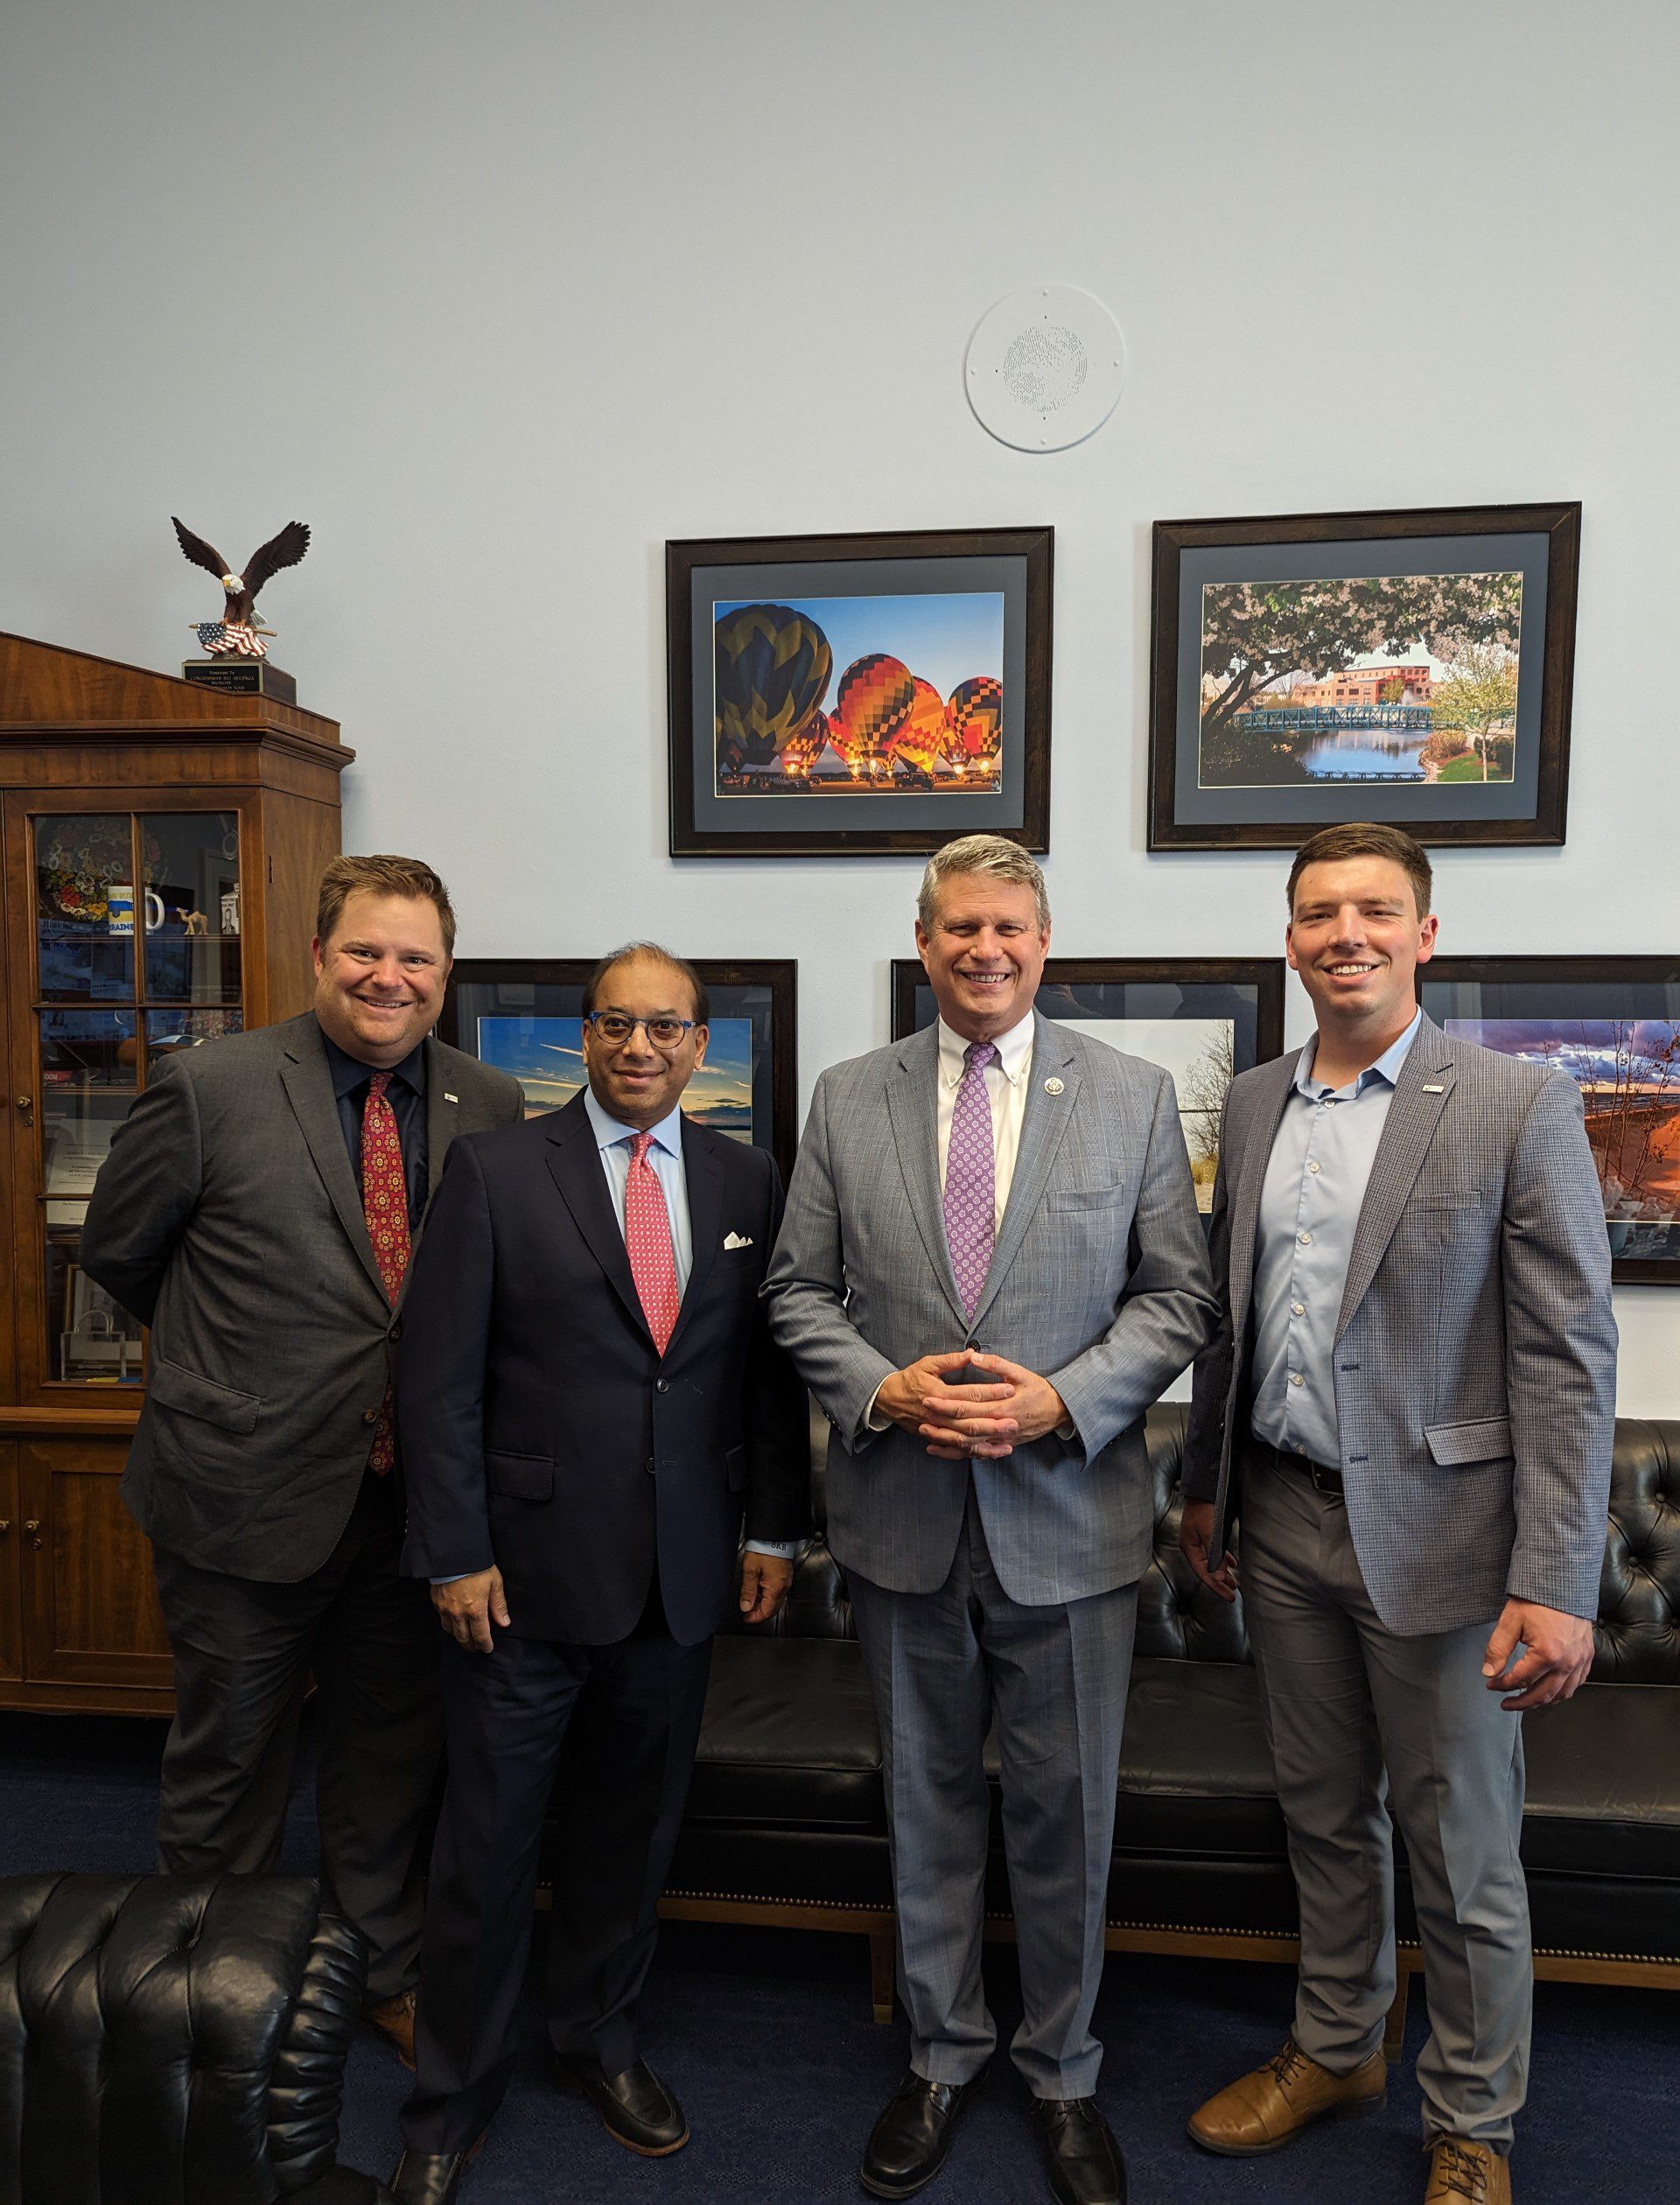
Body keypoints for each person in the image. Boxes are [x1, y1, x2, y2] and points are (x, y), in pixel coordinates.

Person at [764, 835, 1216, 2205]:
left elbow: (1178, 1300)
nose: (985, 950)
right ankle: (944, 2051)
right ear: (924, 939)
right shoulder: (850, 1097)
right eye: (960, 926)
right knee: (926, 1802)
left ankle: (1063, 2067)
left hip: (1068, 1515)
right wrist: (878, 1385)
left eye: (1009, 927)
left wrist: (1062, 1401)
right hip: (899, 1513)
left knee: (1066, 1816)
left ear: (1043, 937)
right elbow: (796, 1292)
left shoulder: (1131, 1097)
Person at [1180, 822, 1616, 2205]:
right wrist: (1205, 1489)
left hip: (1447, 1543)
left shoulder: (1512, 1100)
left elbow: (1565, 1353)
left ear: (1426, 932)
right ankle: (1336, 2046)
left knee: (1463, 1851)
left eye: (1376, 908)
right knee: (1321, 1815)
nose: (1345, 932)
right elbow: (1229, 1323)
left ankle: (1473, 2120)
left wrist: (1557, 1574)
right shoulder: (1251, 1102)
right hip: (1284, 1519)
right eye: (1318, 911)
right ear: (1291, 936)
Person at [80, 852, 522, 2066]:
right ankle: (203, 1997)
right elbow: (120, 1252)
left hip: (410, 1507)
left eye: (416, 957)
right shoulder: (209, 1084)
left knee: (390, 1761)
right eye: (365, 951)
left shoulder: (485, 1101)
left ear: (445, 971)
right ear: (319, 956)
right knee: (229, 1764)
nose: (390, 976)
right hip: (240, 1492)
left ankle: (376, 1970)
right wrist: (235, 1368)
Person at [388, 941, 809, 2205]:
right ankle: (448, 2101)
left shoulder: (747, 1175)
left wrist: (774, 1532)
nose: (641, 1047)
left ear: (701, 1044)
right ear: (584, 1036)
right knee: (489, 1848)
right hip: (514, 1584)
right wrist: (453, 1548)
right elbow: (436, 1380)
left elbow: (762, 1379)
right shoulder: (498, 1170)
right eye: (617, 1025)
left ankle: (596, 2041)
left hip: (679, 1583)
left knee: (632, 1842)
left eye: (667, 1028)